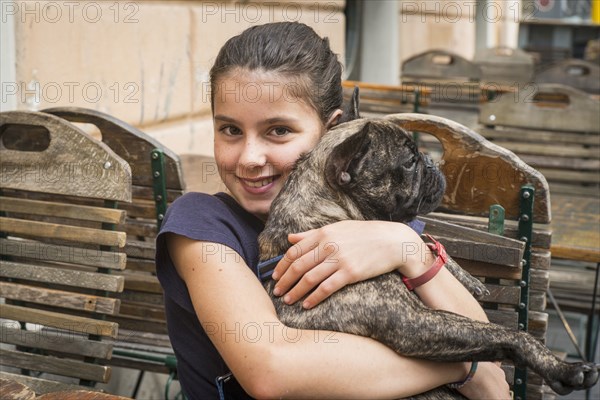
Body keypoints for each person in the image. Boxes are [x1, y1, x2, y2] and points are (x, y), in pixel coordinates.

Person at [156, 21, 511, 400]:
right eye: (230, 130)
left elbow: (483, 349)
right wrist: (463, 366)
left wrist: (404, 244)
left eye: (278, 131)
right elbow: (271, 369)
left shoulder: (375, 223)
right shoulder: (201, 224)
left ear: (332, 133)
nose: (250, 158)